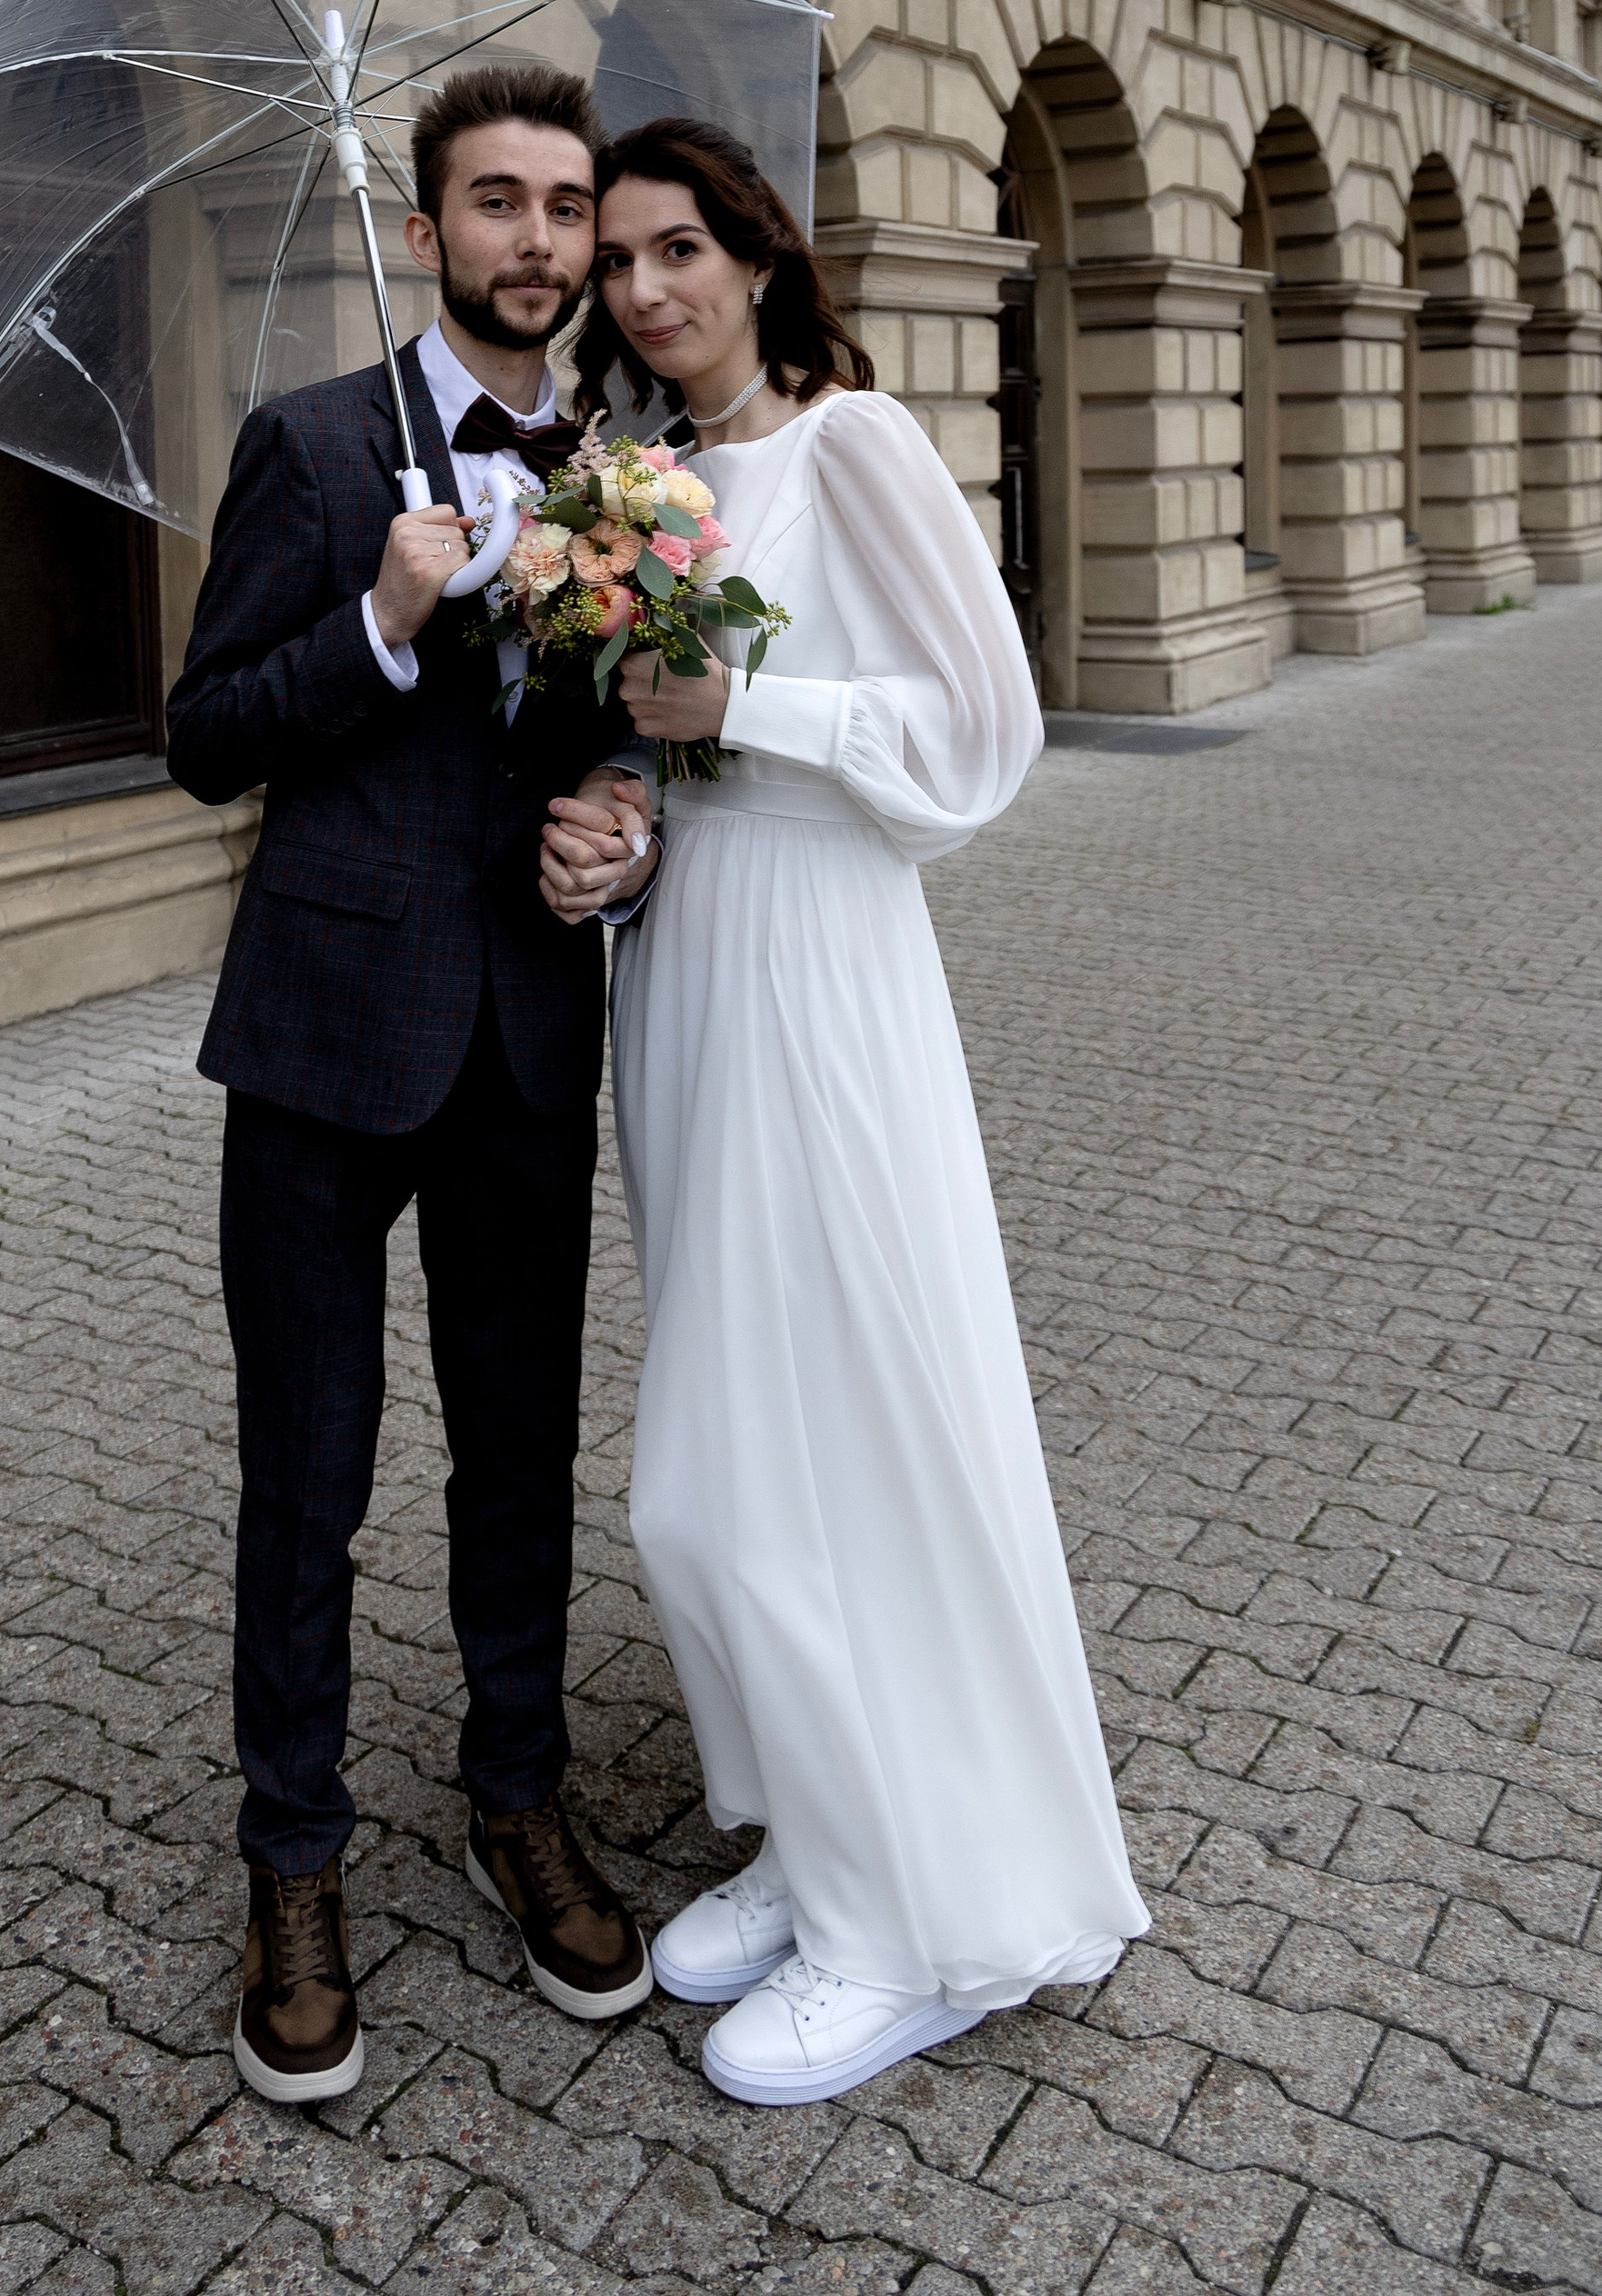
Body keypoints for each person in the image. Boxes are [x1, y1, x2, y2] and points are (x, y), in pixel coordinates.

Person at [548, 115, 1149, 2111]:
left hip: (824, 968)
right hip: (690, 971)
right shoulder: (647, 480)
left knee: (796, 1446)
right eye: (618, 258)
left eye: (677, 247)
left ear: (754, 252)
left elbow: (986, 731)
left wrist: (752, 709)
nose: (644, 286)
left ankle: (914, 1928)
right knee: (740, 1453)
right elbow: (666, 759)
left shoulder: (851, 444)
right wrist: (627, 818)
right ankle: (819, 1838)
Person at [166, 60, 658, 2109]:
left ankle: (516, 1795)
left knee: (517, 1452)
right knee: (310, 1468)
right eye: (497, 201)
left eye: (565, 206)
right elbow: (203, 733)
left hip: (528, 1033)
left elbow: (635, 733)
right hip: (320, 1036)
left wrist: (626, 817)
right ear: (427, 222)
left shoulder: (629, 474)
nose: (536, 240)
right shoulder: (310, 444)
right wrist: (376, 620)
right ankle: (292, 1861)